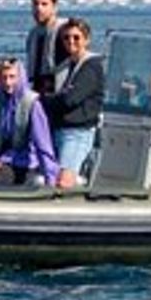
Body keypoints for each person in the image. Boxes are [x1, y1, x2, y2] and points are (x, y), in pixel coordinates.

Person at [0, 57, 57, 186]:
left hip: (21, 164)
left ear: (20, 77)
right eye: (4, 77)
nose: (8, 83)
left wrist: (50, 179)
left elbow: (43, 145)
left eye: (12, 77)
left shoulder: (32, 104)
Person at [39, 18, 105, 189]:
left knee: (64, 180)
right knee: (52, 177)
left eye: (76, 37)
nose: (71, 41)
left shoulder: (91, 67)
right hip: (62, 129)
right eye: (66, 38)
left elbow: (70, 99)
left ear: (87, 39)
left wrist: (45, 100)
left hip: (77, 132)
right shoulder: (68, 66)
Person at [25, 0, 71, 93]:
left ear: (54, 7)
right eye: (35, 4)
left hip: (58, 92)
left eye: (44, 4)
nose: (39, 8)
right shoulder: (33, 34)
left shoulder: (65, 31)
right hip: (36, 90)